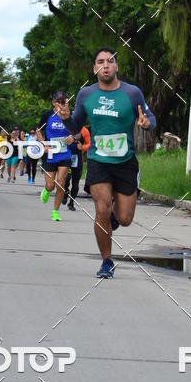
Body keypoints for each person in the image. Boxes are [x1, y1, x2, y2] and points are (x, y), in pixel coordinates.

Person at [58, 48, 155, 278]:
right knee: (101, 209)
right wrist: (66, 120)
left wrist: (146, 123)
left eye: (110, 61)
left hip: (125, 161)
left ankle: (113, 218)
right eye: (100, 62)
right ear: (94, 69)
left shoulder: (132, 93)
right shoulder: (86, 95)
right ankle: (106, 261)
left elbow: (150, 118)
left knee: (125, 219)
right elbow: (77, 128)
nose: (106, 65)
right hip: (98, 160)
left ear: (116, 66)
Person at [36, 91, 73, 221]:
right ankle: (46, 190)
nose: (62, 104)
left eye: (64, 102)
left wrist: (72, 136)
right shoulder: (47, 115)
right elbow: (38, 131)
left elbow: (78, 131)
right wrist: (43, 145)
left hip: (65, 154)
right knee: (51, 185)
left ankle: (55, 212)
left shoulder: (70, 115)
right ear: (53, 102)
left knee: (61, 183)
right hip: (50, 154)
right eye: (59, 102)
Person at [62, 125, 91, 210]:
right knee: (66, 178)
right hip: (67, 157)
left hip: (78, 159)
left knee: (75, 183)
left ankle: (71, 203)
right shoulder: (67, 127)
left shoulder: (84, 131)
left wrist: (83, 147)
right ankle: (65, 192)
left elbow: (90, 143)